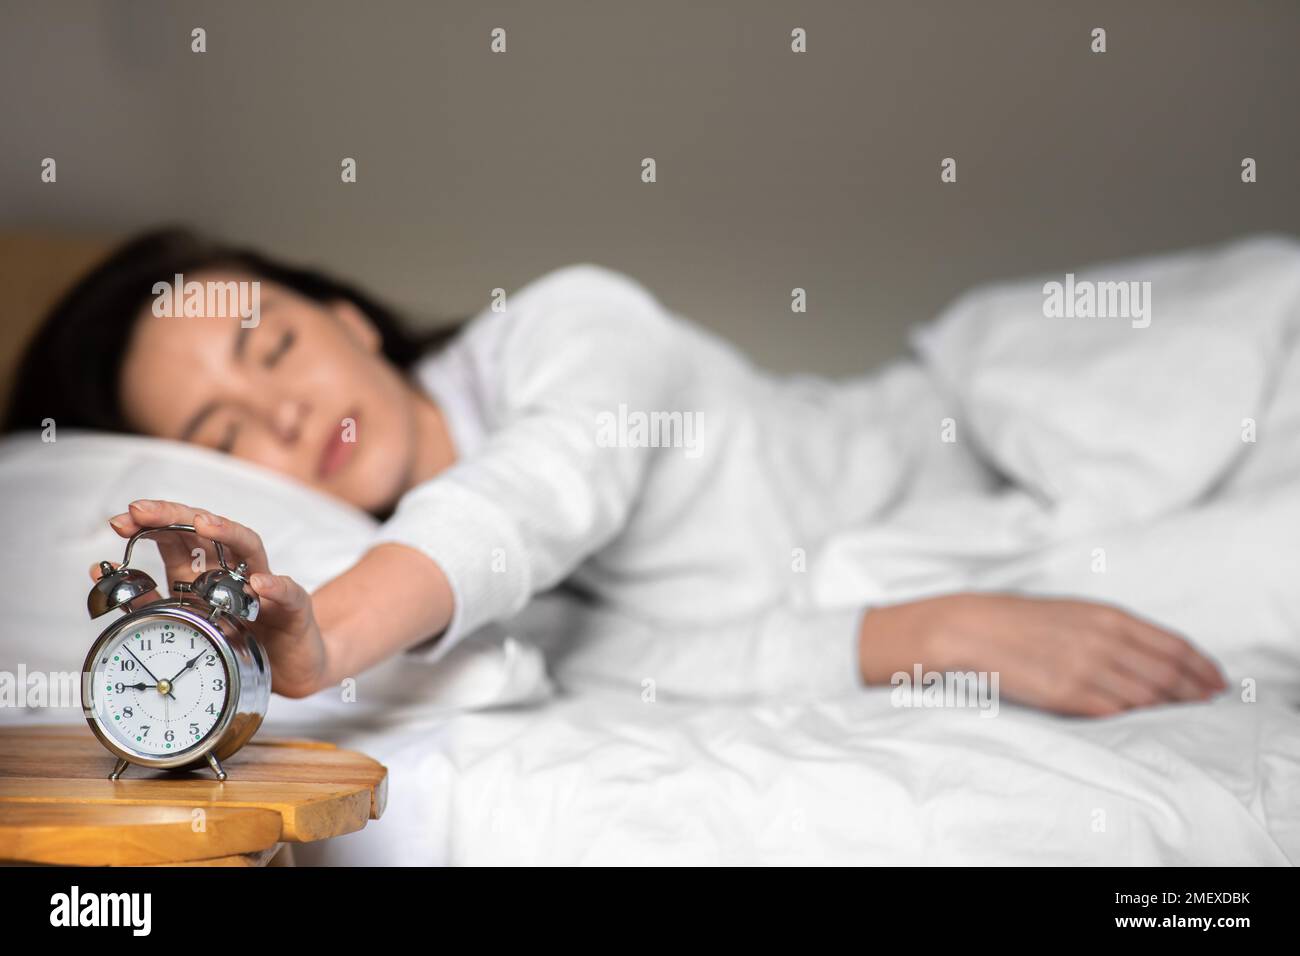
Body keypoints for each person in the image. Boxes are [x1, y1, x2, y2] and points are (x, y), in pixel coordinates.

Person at [2, 228, 1226, 715]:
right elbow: (646, 662)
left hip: (974, 443)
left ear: (347, 316)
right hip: (947, 568)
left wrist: (325, 636)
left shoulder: (573, 323)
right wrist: (927, 626)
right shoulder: (462, 605)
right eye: (225, 438)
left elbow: (548, 483)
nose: (284, 407)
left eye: (272, 345)